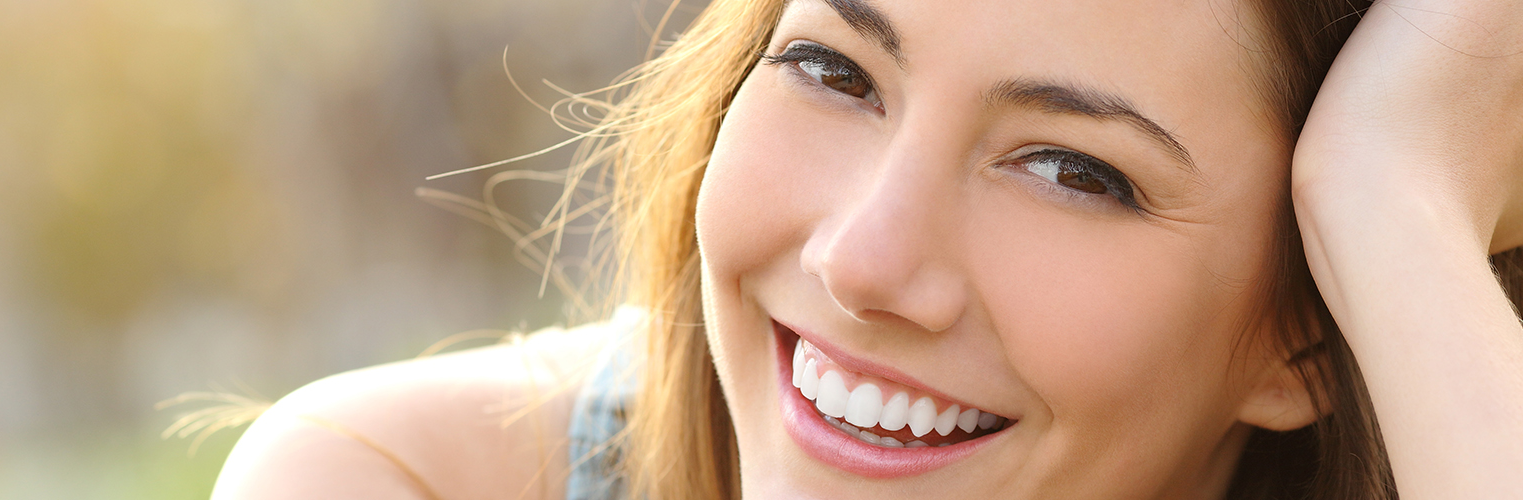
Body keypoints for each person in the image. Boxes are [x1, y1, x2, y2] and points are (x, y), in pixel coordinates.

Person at [212, 0, 1523, 497]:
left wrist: (1394, 198)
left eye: (1074, 171)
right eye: (835, 70)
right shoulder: (396, 483)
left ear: (1309, 333)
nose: (863, 259)